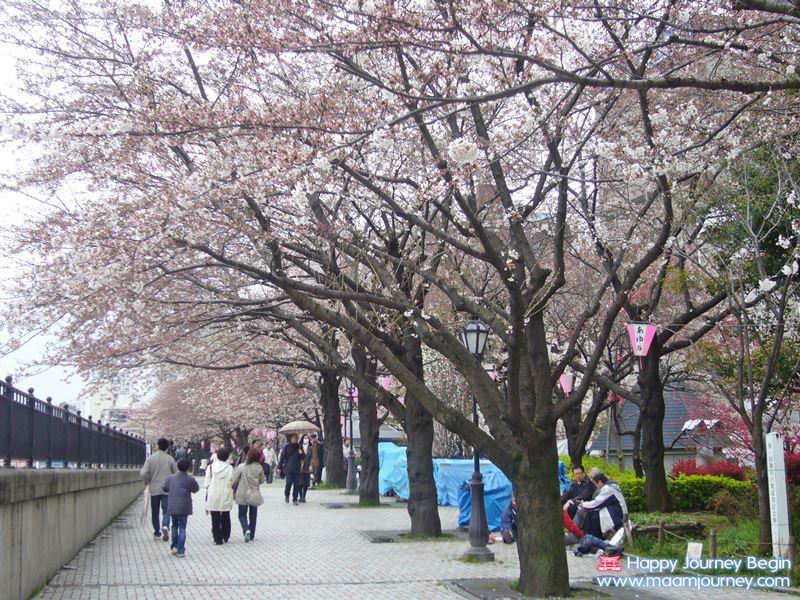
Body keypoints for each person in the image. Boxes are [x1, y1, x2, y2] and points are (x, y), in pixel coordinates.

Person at [140, 437, 178, 542]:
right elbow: (176, 473)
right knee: (166, 510)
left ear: (157, 445)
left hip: (154, 488)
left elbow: (143, 473)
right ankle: (165, 525)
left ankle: (157, 532)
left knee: (155, 511)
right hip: (167, 488)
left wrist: (147, 481)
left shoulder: (151, 459)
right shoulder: (170, 459)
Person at [163, 458, 200, 557]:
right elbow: (196, 489)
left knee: (174, 526)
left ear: (178, 467)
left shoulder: (170, 478)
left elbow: (165, 488)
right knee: (182, 528)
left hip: (173, 505)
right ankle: (181, 550)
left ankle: (174, 546)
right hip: (184, 506)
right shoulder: (190, 479)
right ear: (188, 468)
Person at [577, 472, 626, 540]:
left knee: (592, 517)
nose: (596, 486)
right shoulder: (611, 486)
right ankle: (590, 539)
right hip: (617, 513)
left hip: (616, 516)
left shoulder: (607, 489)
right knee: (591, 514)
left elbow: (597, 503)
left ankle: (592, 539)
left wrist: (583, 504)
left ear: (600, 482)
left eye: (595, 484)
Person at [231, 446, 265, 542]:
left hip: (242, 493)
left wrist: (233, 487)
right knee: (253, 515)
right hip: (254, 493)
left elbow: (234, 480)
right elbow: (262, 480)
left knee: (242, 514)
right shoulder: (259, 467)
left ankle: (246, 529)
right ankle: (252, 535)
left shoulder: (242, 466)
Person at [204, 446, 234, 545]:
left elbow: (206, 483)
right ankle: (226, 535)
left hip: (213, 492)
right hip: (225, 492)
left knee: (215, 516)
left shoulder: (211, 467)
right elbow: (232, 481)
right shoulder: (229, 468)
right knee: (226, 514)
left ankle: (217, 538)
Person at [277, 433, 304, 505]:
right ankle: (287, 495)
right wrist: (279, 467)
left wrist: (301, 453)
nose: (296, 439)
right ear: (291, 438)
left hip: (297, 468)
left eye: (297, 438)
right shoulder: (287, 447)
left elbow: (303, 457)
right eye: (295, 438)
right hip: (288, 469)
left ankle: (295, 499)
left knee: (297, 485)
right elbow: (282, 458)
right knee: (288, 483)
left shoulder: (299, 446)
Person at [300, 435, 312, 502]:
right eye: (305, 438)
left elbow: (313, 457)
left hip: (307, 467)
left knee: (306, 483)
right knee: (300, 482)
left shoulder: (310, 448)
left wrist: (311, 465)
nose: (306, 439)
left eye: (307, 438)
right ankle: (300, 496)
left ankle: (304, 496)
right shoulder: (299, 447)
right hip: (300, 467)